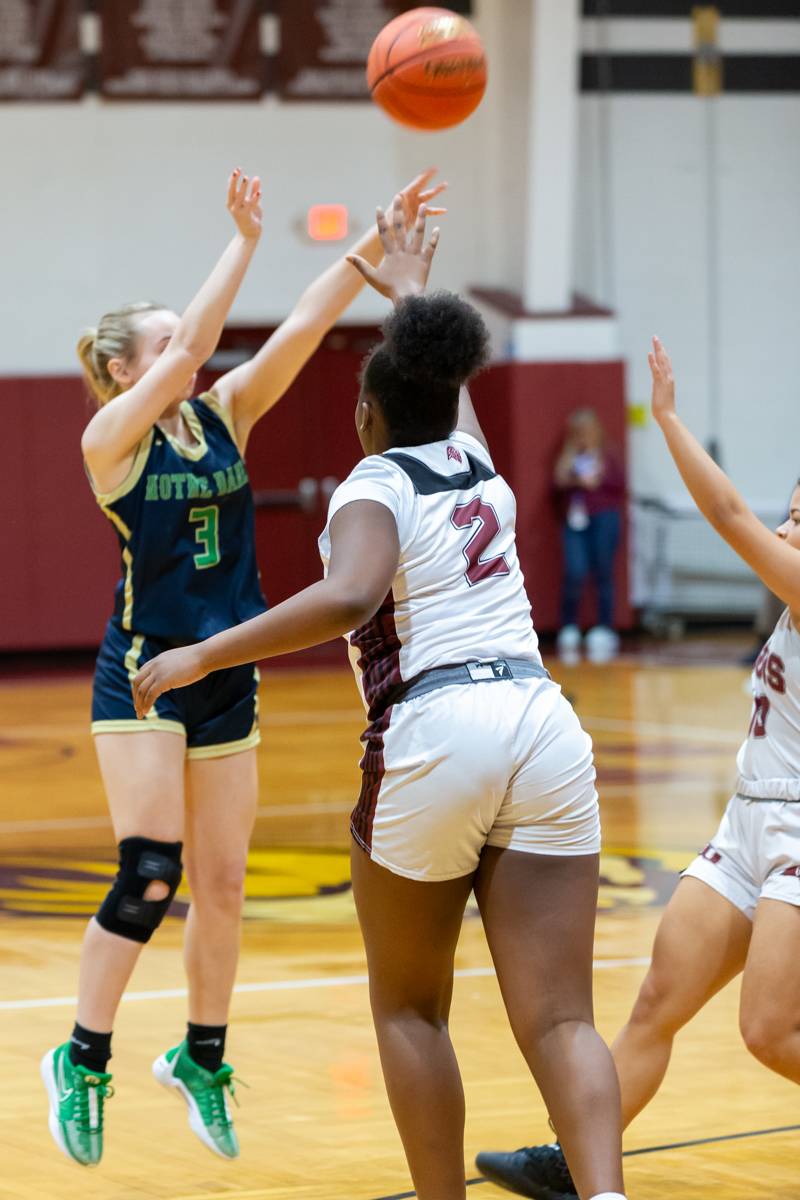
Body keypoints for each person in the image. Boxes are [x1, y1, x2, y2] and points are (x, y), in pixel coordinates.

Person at [131, 200, 628, 1200]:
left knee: (409, 1010)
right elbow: (451, 395)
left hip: (438, 727)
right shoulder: (478, 469)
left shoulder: (373, 482)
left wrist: (203, 655)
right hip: (541, 722)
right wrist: (409, 290)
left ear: (367, 416)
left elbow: (353, 595)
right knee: (563, 1019)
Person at [40, 166, 446, 1168]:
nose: (194, 346)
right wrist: (245, 242)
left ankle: (200, 1058)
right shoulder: (110, 442)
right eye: (169, 337)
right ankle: (83, 1056)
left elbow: (302, 331)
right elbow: (189, 347)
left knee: (222, 883)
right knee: (150, 872)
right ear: (127, 367)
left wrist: (365, 248)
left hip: (226, 668)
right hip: (144, 670)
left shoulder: (224, 415)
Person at [475, 336, 800, 1200]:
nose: (783, 527)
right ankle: (575, 1156)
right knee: (658, 997)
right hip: (748, 818)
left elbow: (728, 515)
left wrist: (664, 418)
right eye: (790, 512)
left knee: (769, 1032)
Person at [553, 409, 625, 664]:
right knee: (575, 570)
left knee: (604, 571)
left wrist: (597, 478)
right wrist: (575, 477)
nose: (582, 436)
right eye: (577, 432)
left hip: (604, 519)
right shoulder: (569, 455)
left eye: (586, 431)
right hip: (575, 520)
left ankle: (605, 626)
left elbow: (619, 484)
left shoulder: (608, 454)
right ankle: (569, 625)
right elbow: (557, 482)